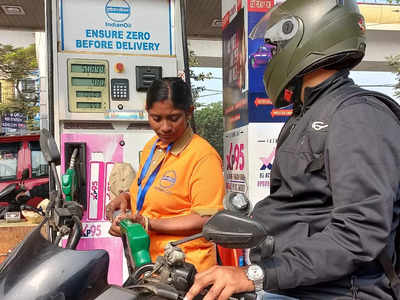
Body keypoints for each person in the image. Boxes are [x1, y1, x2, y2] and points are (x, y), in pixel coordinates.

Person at [185, 1, 400, 299]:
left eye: (275, 48)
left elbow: (359, 232)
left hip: (336, 293)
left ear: (306, 39)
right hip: (295, 286)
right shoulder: (308, 114)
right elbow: (302, 207)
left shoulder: (356, 115)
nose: (271, 57)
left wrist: (256, 275)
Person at [106, 77, 225, 272]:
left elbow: (206, 219)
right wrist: (126, 198)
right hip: (149, 265)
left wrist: (149, 223)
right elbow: (148, 190)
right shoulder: (152, 147)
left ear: (189, 113)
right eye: (156, 118)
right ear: (147, 111)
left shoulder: (204, 156)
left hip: (186, 271)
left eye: (173, 118)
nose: (165, 127)